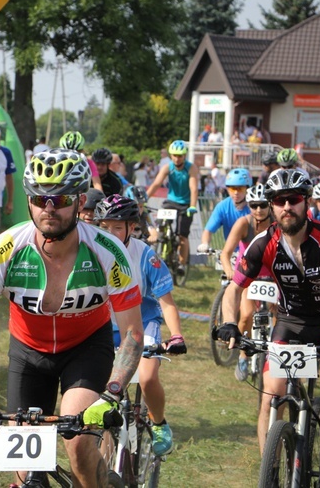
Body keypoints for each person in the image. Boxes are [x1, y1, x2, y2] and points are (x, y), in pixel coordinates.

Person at [0, 148, 145, 488]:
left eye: (61, 199)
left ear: (80, 199)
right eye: (40, 199)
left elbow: (131, 333)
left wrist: (112, 395)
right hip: (28, 353)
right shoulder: (5, 248)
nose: (49, 208)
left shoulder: (108, 251)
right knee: (26, 474)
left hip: (86, 350)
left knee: (79, 443)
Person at [216, 169, 320, 487]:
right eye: (279, 200)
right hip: (291, 323)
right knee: (271, 396)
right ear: (272, 205)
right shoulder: (264, 243)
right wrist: (229, 324)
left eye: (293, 199)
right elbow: (234, 288)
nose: (286, 206)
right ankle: (271, 468)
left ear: (306, 203)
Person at [94, 194, 187, 456]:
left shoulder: (146, 255)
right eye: (105, 226)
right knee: (102, 395)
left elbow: (166, 302)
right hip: (105, 325)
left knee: (147, 377)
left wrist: (177, 335)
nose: (110, 232)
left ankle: (159, 423)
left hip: (143, 322)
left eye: (117, 226)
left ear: (132, 227)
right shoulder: (89, 252)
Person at [219, 184, 275, 382]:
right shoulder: (243, 223)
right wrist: (229, 273)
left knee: (279, 315)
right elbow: (226, 253)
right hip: (248, 276)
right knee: (247, 315)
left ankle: (274, 354)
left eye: (262, 205)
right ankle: (243, 356)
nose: (258, 210)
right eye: (253, 205)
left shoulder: (277, 223)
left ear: (269, 205)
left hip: (274, 276)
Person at [147, 140, 199, 270]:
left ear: (184, 156)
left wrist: (192, 206)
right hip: (171, 201)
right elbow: (156, 184)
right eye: (174, 155)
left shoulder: (191, 168)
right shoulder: (167, 167)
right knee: (161, 225)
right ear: (171, 155)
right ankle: (164, 242)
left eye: (180, 155)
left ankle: (181, 264)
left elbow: (193, 188)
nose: (177, 158)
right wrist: (144, 199)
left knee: (182, 236)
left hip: (186, 204)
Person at [196, 168, 252, 254]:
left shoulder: (255, 207)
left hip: (252, 253)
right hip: (231, 253)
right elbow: (208, 231)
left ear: (247, 188)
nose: (236, 193)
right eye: (232, 189)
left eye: (240, 189)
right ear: (227, 189)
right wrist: (205, 243)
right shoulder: (222, 207)